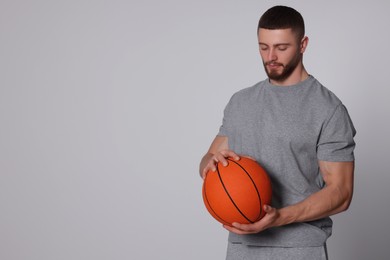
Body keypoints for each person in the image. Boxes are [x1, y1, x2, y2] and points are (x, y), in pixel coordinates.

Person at [199, 5, 356, 260]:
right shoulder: (240, 102)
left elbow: (341, 193)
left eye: (282, 48)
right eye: (264, 47)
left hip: (300, 249)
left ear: (303, 44)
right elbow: (207, 160)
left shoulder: (328, 109)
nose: (271, 56)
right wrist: (209, 163)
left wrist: (280, 217)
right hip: (241, 247)